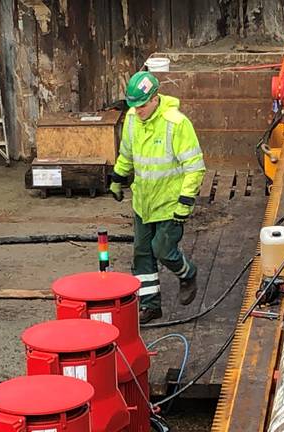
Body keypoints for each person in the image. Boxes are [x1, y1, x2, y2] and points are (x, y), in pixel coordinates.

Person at [109, 71, 206, 324]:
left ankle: (188, 273)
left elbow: (194, 167)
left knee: (162, 250)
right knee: (142, 253)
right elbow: (127, 153)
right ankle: (151, 305)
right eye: (133, 105)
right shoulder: (132, 118)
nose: (137, 110)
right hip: (143, 202)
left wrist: (185, 202)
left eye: (141, 105)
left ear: (155, 99)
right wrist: (118, 177)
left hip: (169, 205)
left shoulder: (177, 123)